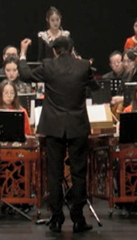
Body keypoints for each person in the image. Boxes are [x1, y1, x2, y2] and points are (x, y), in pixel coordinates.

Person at [29, 36, 97, 233]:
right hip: (77, 126)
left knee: (55, 174)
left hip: (54, 126)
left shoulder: (48, 65)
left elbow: (25, 74)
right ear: (72, 49)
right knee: (78, 173)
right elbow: (95, 87)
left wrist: (23, 55)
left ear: (54, 50)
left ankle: (56, 218)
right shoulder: (83, 65)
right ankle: (78, 218)